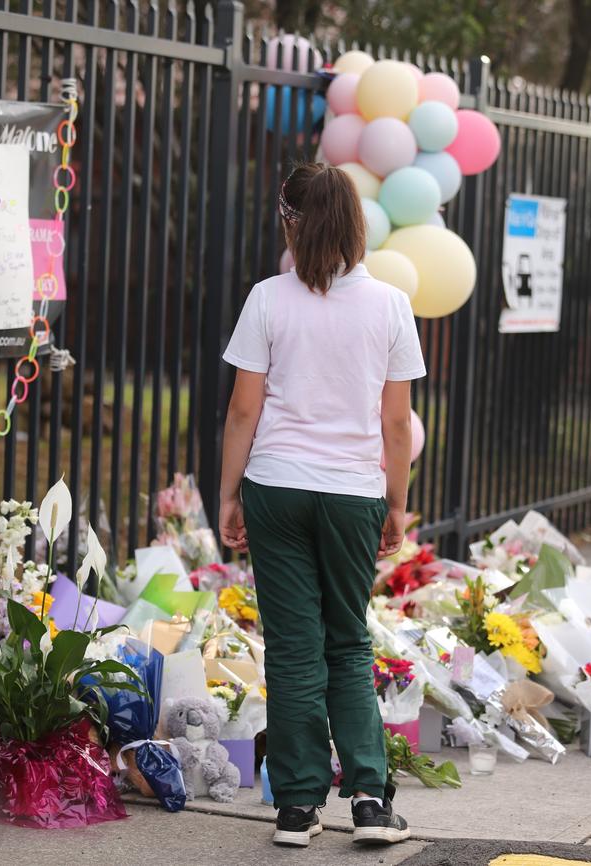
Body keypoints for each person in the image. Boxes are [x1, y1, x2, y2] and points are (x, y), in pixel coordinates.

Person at [219, 162, 426, 847]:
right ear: (356, 225)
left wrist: (229, 491)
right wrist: (396, 504)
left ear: (290, 222)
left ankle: (297, 807)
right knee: (347, 640)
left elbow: (245, 408)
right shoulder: (391, 305)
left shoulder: (267, 299)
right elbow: (396, 424)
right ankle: (369, 798)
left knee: (294, 644)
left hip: (275, 486)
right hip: (352, 492)